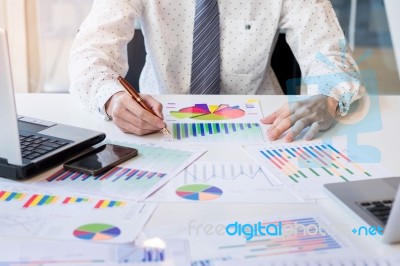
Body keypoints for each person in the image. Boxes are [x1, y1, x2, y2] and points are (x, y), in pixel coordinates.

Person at [69, 0, 364, 141]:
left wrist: (330, 100)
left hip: (264, 132)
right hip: (161, 129)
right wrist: (111, 98)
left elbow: (333, 58)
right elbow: (90, 53)